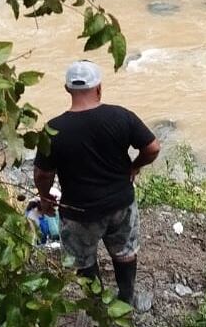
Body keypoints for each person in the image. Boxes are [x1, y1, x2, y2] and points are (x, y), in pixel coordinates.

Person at [34, 60, 161, 305]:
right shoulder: (121, 116)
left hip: (79, 212)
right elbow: (153, 148)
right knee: (124, 251)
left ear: (67, 89)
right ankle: (125, 298)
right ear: (99, 88)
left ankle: (96, 304)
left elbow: (42, 174)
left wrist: (45, 196)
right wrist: (135, 166)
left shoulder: (53, 129)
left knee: (83, 259)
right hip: (121, 204)